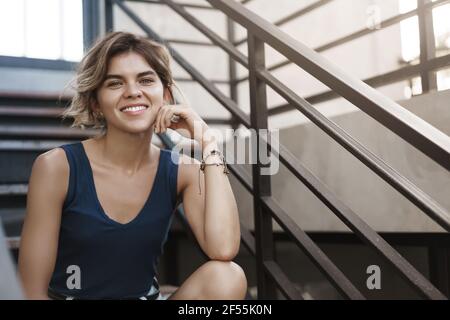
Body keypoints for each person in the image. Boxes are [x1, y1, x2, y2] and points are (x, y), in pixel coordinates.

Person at [18, 31, 247, 300]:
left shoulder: (182, 170)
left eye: (146, 80)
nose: (133, 92)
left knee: (227, 277)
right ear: (96, 103)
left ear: (165, 95)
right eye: (115, 84)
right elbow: (31, 292)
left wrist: (209, 143)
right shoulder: (57, 167)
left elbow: (223, 249)